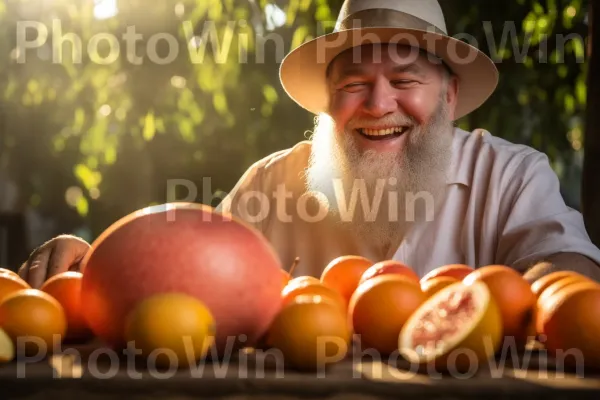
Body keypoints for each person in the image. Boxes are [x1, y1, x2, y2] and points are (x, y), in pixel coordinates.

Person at [18, 0, 600, 288]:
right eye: (353, 85)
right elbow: (183, 272)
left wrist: (538, 297)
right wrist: (90, 261)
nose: (378, 105)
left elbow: (570, 272)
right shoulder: (269, 185)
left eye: (404, 82)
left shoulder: (513, 175)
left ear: (448, 97)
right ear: (325, 103)